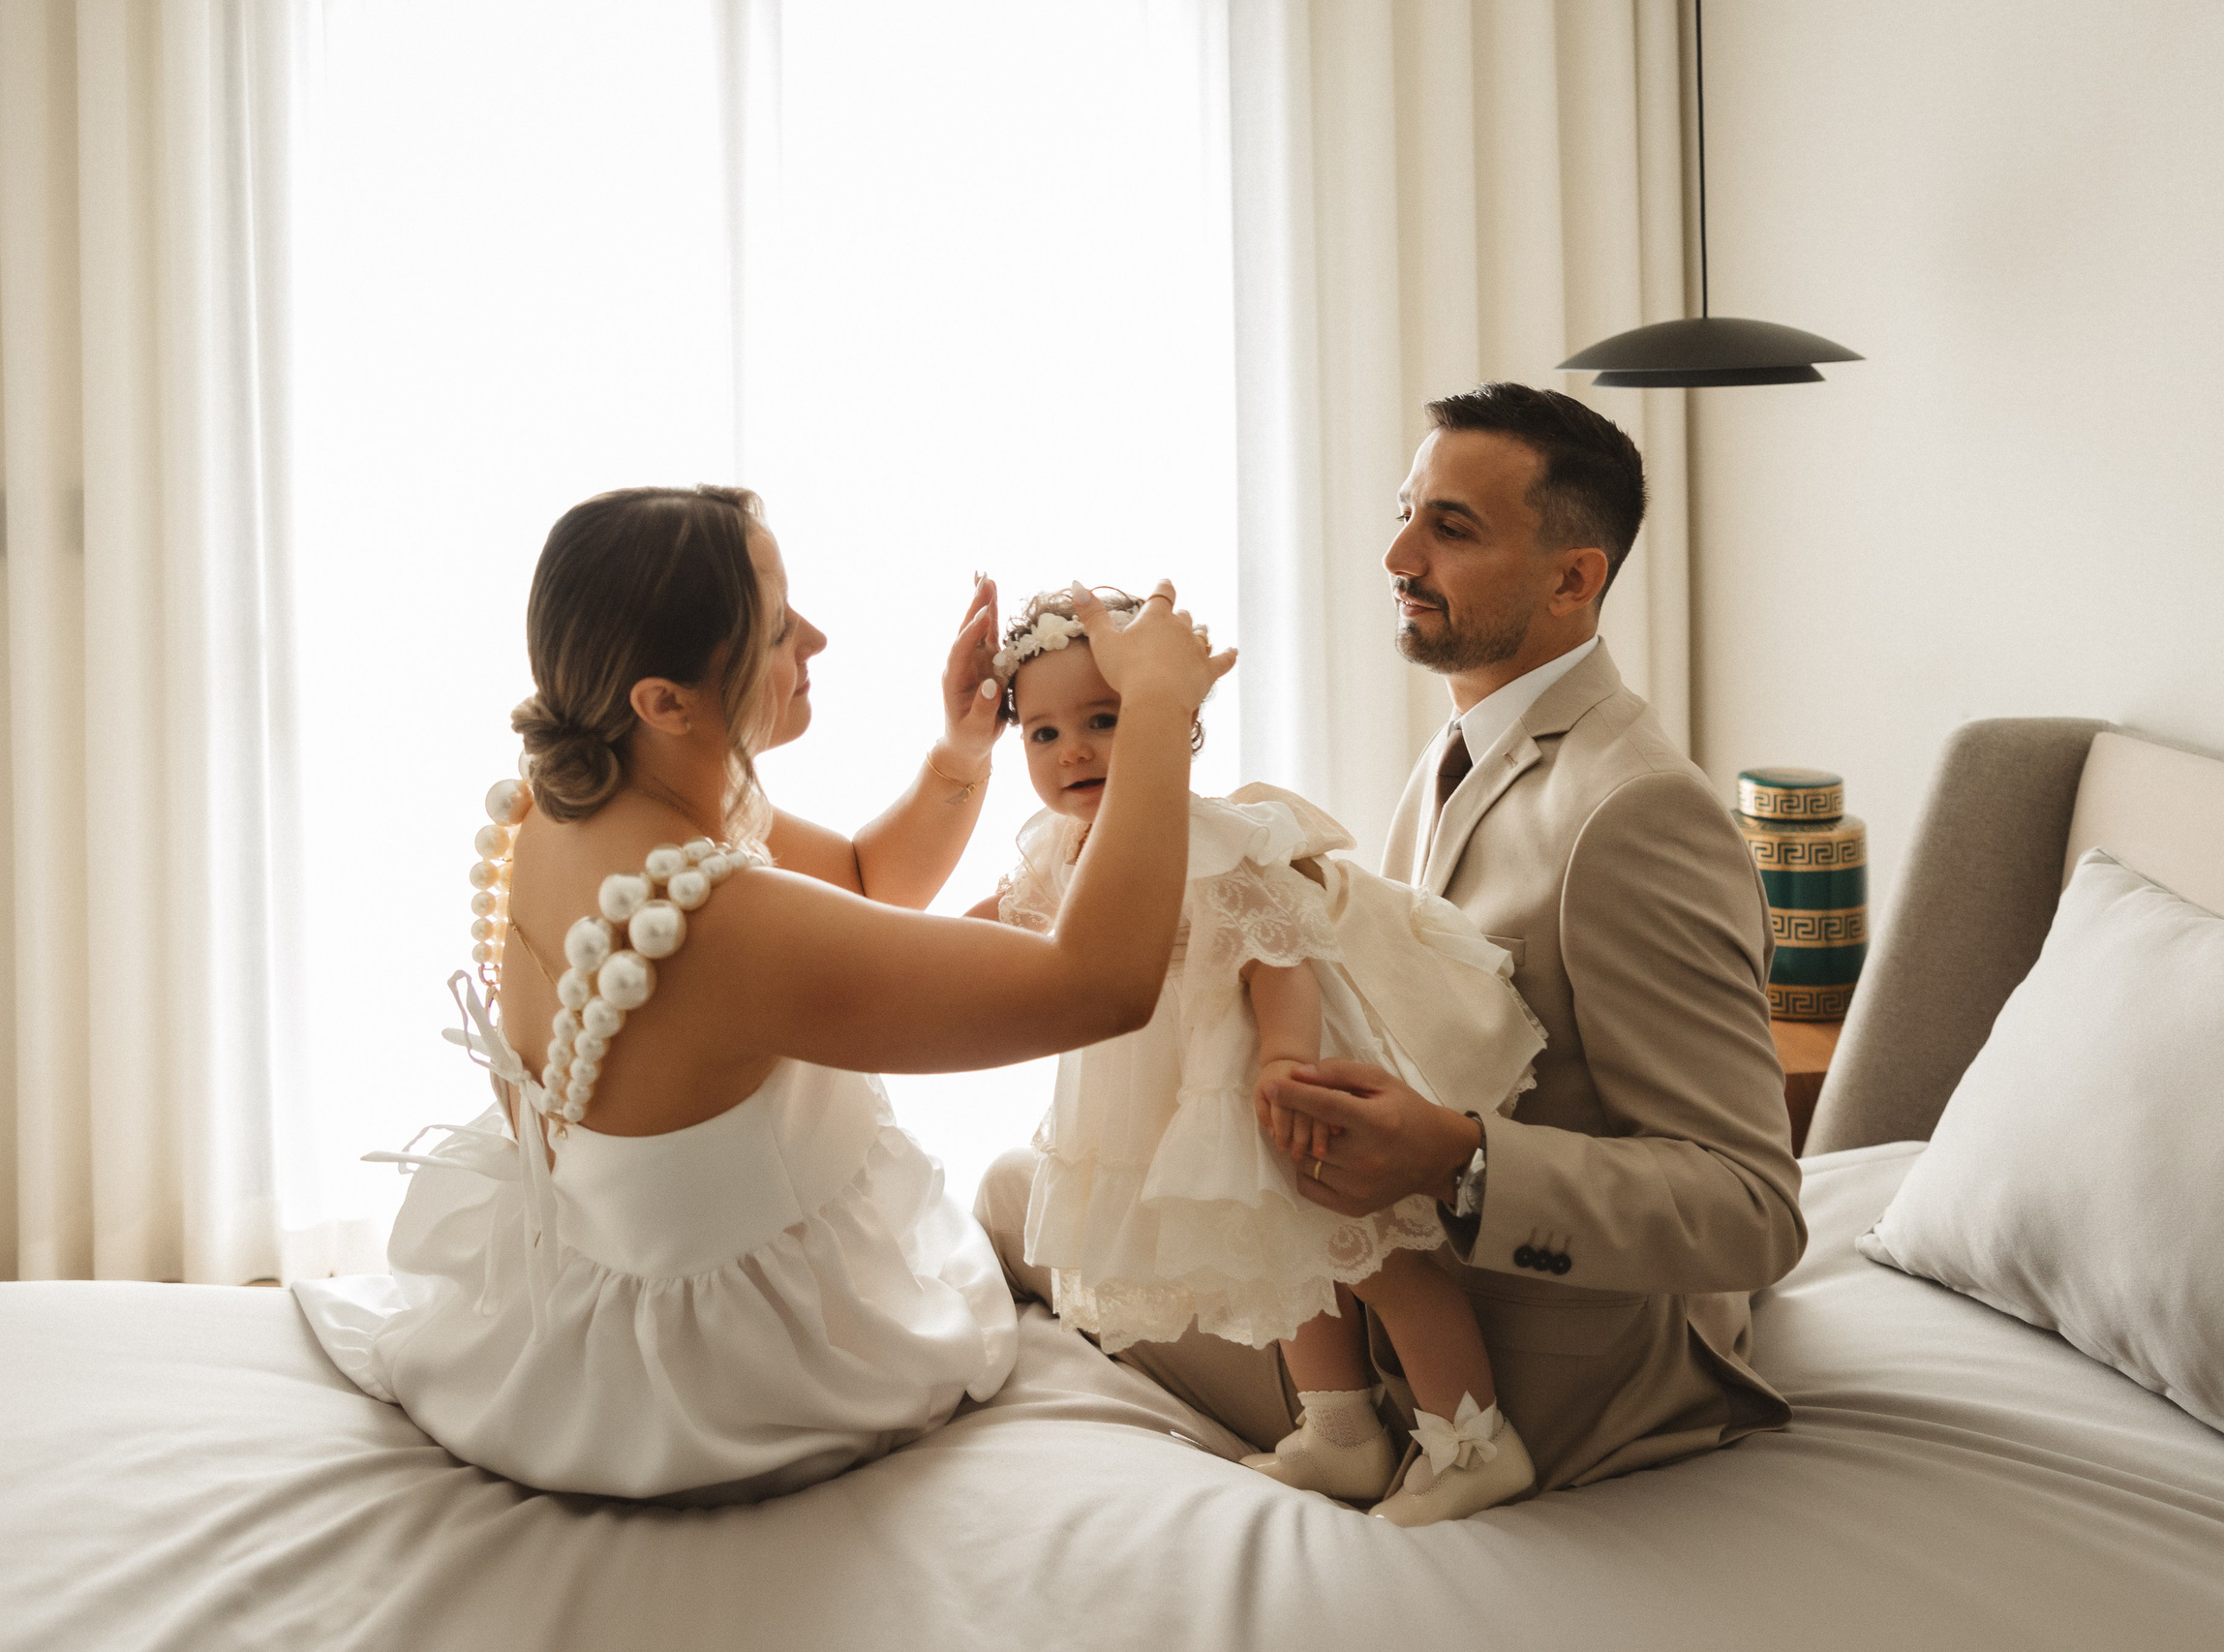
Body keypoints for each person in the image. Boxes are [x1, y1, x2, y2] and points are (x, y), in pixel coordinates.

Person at [293, 485, 1231, 1504]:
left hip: (561, 1295)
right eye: (781, 626)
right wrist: (1155, 713)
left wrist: (963, 749)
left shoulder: (581, 790)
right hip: (718, 1384)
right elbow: (1099, 983)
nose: (816, 638)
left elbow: (865, 882)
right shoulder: (715, 924)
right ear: (666, 699)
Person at [977, 382, 1805, 1501]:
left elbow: (1752, 1208)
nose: (1395, 552)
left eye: (1449, 527)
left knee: (1016, 1203)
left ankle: (1420, 1429)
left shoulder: (1637, 811)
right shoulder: (1466, 745)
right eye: (1404, 510)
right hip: (1395, 1275)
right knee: (1030, 1180)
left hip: (1537, 1369)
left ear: (1574, 577)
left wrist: (1453, 1159)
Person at [976, 589, 1548, 1524]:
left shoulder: (1208, 837)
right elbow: (995, 933)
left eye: (1103, 720)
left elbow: (1277, 953)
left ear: (1175, 723)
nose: (1072, 750)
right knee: (1285, 1265)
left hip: (1262, 1076)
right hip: (1175, 1093)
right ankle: (1342, 1435)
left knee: (1374, 1256)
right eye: (1041, 734)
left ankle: (1477, 1443)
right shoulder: (1063, 849)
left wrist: (1284, 1061)